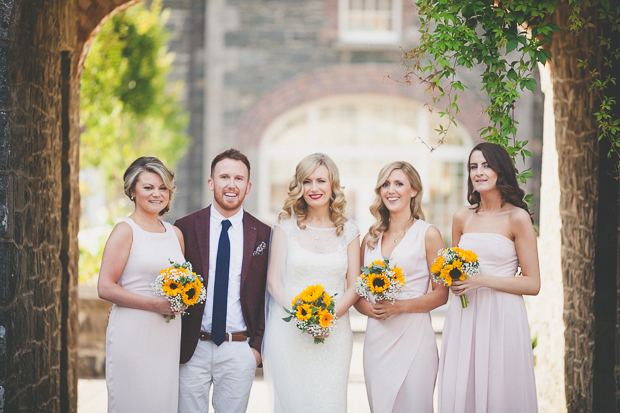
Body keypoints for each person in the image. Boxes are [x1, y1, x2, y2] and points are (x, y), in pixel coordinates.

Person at [437, 142, 540, 412]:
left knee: (499, 390)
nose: (478, 172)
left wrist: (482, 280)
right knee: (463, 386)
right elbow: (455, 268)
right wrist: (453, 279)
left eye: (486, 165)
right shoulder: (462, 217)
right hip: (465, 315)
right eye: (473, 166)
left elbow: (532, 283)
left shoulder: (517, 218)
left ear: (500, 171)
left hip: (502, 317)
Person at [262, 153, 360, 412]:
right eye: (307, 181)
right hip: (290, 331)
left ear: (332, 185)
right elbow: (273, 282)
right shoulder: (285, 225)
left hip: (335, 333)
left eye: (321, 181)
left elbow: (354, 286)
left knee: (329, 402)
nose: (314, 188)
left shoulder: (350, 230)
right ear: (299, 186)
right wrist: (303, 317)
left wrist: (327, 317)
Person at [175, 148, 271, 413]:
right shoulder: (184, 227)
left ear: (248, 186)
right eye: (224, 177)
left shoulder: (263, 234)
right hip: (192, 348)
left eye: (239, 179)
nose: (231, 184)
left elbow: (266, 293)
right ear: (211, 182)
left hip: (239, 349)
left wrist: (256, 349)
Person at [355, 161, 448, 413]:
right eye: (385, 184)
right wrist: (373, 310)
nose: (391, 190)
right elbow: (357, 293)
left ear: (414, 190)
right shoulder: (370, 238)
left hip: (414, 335)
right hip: (377, 338)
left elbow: (441, 294)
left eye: (398, 184)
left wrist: (398, 307)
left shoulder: (428, 234)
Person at [98, 157, 185, 412]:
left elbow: (181, 282)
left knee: (162, 401)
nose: (157, 194)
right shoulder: (126, 230)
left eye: (163, 187)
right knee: (134, 400)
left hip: (167, 334)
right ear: (132, 191)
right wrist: (155, 304)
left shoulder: (175, 234)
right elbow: (105, 287)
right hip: (133, 331)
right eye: (148, 187)